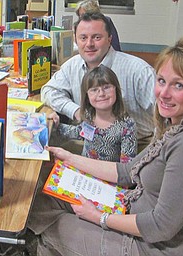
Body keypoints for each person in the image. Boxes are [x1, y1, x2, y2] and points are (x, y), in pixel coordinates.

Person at [28, 37, 183, 256]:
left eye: (178, 85)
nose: (164, 93)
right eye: (161, 81)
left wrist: (99, 218)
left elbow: (161, 226)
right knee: (41, 200)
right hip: (128, 207)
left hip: (149, 245)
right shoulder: (172, 127)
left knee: (52, 225)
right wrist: (69, 157)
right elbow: (127, 171)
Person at [41, 12, 156, 152]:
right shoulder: (72, 66)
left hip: (137, 145)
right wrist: (76, 111)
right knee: (47, 146)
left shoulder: (138, 71)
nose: (89, 44)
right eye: (83, 38)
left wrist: (156, 153)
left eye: (97, 37)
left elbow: (166, 115)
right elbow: (48, 91)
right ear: (76, 41)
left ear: (109, 39)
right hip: (91, 140)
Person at [50, 65, 137, 163]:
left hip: (109, 176)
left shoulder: (127, 126)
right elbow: (78, 132)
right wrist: (55, 124)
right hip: (84, 170)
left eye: (107, 87)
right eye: (94, 90)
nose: (101, 94)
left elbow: (126, 167)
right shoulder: (89, 116)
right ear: (87, 95)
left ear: (116, 89)